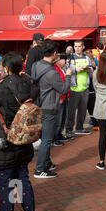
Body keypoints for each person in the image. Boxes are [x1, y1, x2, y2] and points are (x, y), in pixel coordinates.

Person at [0, 53, 38, 211]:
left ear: (5, 68)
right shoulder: (28, 86)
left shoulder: (3, 88)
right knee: (22, 180)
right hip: (23, 140)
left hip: (3, 142)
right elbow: (34, 87)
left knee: (7, 186)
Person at [32, 40, 72, 178]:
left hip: (38, 104)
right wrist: (68, 75)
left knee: (44, 138)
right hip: (49, 107)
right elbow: (63, 88)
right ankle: (40, 169)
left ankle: (46, 162)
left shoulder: (36, 65)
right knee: (47, 140)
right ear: (54, 54)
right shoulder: (52, 72)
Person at [65, 40, 94, 136]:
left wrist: (89, 69)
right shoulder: (70, 57)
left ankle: (79, 128)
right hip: (74, 88)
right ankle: (69, 130)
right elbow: (66, 69)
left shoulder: (86, 57)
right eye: (75, 46)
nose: (77, 48)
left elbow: (91, 70)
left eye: (79, 46)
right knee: (71, 112)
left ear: (83, 47)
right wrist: (75, 69)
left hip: (84, 88)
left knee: (82, 111)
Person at [52, 56, 70, 146]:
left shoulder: (62, 69)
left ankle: (59, 134)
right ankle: (55, 137)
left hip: (65, 96)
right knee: (58, 119)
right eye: (64, 60)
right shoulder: (55, 69)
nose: (65, 61)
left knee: (63, 117)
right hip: (60, 97)